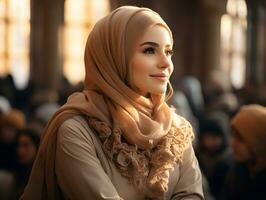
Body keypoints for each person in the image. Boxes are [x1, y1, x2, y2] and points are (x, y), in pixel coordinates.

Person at [21, 6, 204, 200]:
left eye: (168, 52)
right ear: (114, 57)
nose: (166, 64)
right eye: (149, 50)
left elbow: (192, 195)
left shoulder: (176, 128)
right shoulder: (76, 130)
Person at [221, 104, 266, 200]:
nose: (233, 144)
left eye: (240, 139)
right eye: (233, 136)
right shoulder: (237, 170)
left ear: (259, 140)